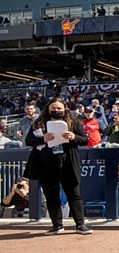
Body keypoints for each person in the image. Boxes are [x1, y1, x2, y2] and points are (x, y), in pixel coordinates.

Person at [23, 97, 92, 235]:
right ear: (48, 109)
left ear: (64, 109)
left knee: (73, 194)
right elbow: (29, 141)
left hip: (68, 162)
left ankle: (80, 225)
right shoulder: (39, 123)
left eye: (59, 108)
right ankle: (57, 225)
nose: (56, 111)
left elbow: (85, 140)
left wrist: (73, 137)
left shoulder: (72, 121)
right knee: (51, 195)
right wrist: (43, 139)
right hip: (47, 163)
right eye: (53, 109)